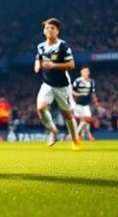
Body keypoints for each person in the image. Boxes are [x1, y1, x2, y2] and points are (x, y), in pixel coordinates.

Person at [34, 18, 81, 149]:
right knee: (40, 108)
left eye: (52, 28)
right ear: (44, 31)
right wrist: (37, 66)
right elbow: (39, 58)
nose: (49, 30)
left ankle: (75, 138)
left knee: (67, 114)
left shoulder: (63, 46)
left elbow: (71, 64)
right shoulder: (40, 46)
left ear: (58, 31)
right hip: (47, 83)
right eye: (47, 28)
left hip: (62, 85)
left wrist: (54, 65)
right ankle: (53, 131)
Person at [71, 66, 99, 141]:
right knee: (84, 120)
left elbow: (93, 93)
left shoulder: (91, 82)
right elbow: (71, 91)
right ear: (81, 73)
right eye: (84, 71)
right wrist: (77, 95)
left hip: (86, 105)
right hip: (77, 104)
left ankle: (79, 135)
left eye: (87, 71)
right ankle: (85, 135)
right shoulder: (77, 81)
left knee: (86, 120)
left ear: (89, 73)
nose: (86, 73)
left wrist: (95, 101)